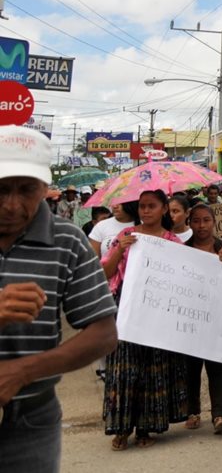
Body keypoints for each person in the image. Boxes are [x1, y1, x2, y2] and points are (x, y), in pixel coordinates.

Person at [0, 126, 118, 472]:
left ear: (44, 188)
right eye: (2, 188)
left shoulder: (66, 241)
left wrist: (22, 372)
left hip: (31, 420)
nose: (11, 205)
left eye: (26, 190)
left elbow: (104, 334)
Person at [101, 189, 188, 449]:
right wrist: (120, 250)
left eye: (152, 206)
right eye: (142, 206)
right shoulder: (126, 236)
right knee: (124, 368)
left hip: (158, 312)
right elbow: (105, 271)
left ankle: (146, 429)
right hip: (126, 308)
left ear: (164, 209)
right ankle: (121, 428)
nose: (145, 211)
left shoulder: (173, 241)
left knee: (153, 367)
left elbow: (185, 278)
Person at [182, 204, 222, 435]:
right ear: (189, 223)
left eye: (206, 220)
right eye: (196, 221)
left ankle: (219, 415)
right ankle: (193, 412)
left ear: (214, 222)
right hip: (190, 315)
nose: (201, 226)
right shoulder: (182, 249)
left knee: (216, 366)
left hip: (217, 316)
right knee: (191, 367)